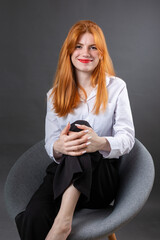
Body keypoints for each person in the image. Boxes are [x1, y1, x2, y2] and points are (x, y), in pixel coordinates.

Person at [15, 20, 135, 240]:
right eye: (79, 46)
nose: (85, 53)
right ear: (69, 52)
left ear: (101, 53)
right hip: (62, 173)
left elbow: (128, 138)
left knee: (82, 128)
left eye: (93, 47)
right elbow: (51, 142)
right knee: (34, 216)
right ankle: (59, 221)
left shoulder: (117, 87)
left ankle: (63, 222)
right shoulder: (54, 95)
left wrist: (100, 143)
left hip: (99, 180)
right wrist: (58, 146)